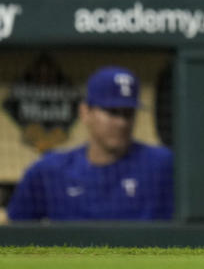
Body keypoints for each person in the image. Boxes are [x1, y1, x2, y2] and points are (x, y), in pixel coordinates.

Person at [6, 66, 173, 220]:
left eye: (128, 113)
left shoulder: (162, 165)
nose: (121, 123)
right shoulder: (50, 171)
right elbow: (13, 231)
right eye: (112, 112)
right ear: (85, 112)